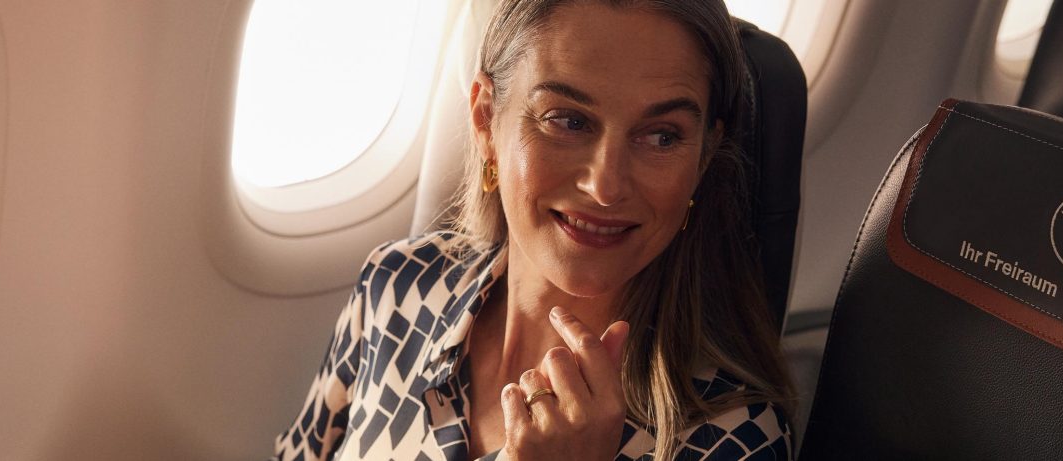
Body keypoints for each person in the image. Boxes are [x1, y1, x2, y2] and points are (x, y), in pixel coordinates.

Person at [271, 0, 796, 459]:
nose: (606, 186)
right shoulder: (396, 287)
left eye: (661, 136)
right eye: (567, 120)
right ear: (485, 121)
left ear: (702, 157)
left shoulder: (731, 439)